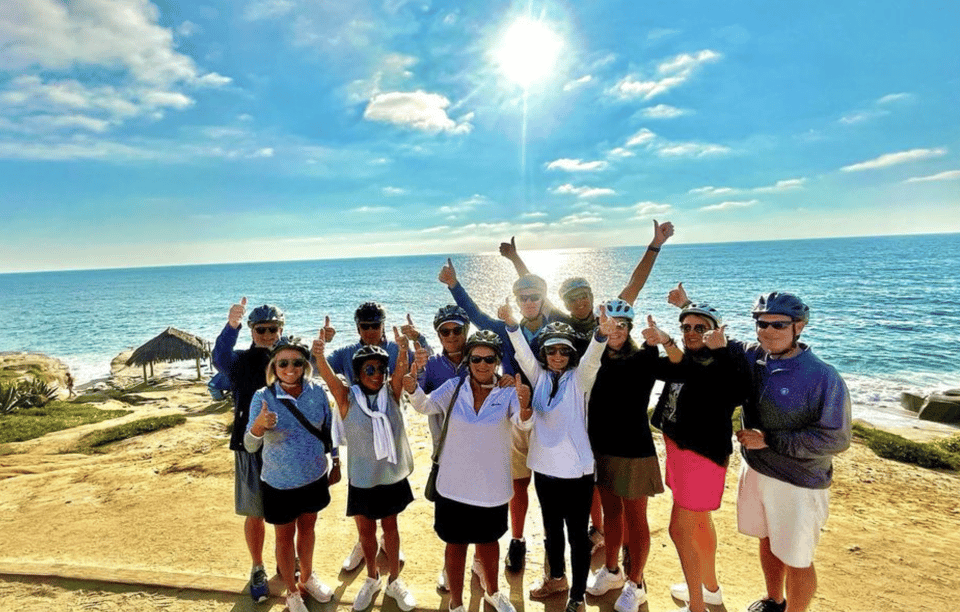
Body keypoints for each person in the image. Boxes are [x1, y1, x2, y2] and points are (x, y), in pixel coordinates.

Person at [672, 288, 852, 612]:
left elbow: (836, 439)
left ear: (799, 327)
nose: (768, 331)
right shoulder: (753, 355)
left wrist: (769, 439)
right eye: (762, 323)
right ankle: (774, 600)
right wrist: (686, 306)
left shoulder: (823, 376)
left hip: (798, 481)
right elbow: (711, 335)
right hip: (756, 470)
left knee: (797, 557)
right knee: (767, 540)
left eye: (778, 325)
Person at [406, 330, 533, 612]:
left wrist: (525, 408)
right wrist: (413, 387)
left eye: (489, 359)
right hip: (453, 485)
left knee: (489, 544)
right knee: (456, 545)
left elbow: (522, 425)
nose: (482, 365)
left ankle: (494, 592)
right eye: (476, 358)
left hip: (491, 487)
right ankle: (456, 603)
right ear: (468, 360)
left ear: (498, 361)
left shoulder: (507, 392)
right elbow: (425, 406)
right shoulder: (454, 387)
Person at [500, 301, 615, 612]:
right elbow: (523, 353)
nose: (558, 356)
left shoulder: (579, 380)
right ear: (545, 354)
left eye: (564, 351)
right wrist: (512, 324)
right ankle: (557, 579)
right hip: (544, 470)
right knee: (552, 530)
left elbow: (592, 359)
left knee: (577, 535)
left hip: (576, 473)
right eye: (552, 351)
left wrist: (600, 336)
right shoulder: (539, 378)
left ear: (571, 354)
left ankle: (577, 596)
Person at [438, 258, 550, 573]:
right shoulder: (502, 330)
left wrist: (517, 259)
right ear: (516, 301)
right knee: (518, 481)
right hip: (515, 412)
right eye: (523, 297)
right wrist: (454, 285)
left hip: (550, 415)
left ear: (543, 298)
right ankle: (517, 540)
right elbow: (475, 315)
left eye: (534, 296)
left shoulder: (555, 325)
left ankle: (560, 547)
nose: (529, 301)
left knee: (551, 483)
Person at [640, 303, 739, 612]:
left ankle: (696, 605)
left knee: (679, 530)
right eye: (686, 327)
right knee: (698, 524)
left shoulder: (717, 361)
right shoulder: (687, 359)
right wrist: (653, 341)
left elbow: (732, 390)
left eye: (701, 328)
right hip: (680, 450)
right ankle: (709, 590)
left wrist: (671, 341)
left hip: (700, 456)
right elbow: (657, 368)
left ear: (715, 333)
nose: (692, 333)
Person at [313, 326, 417, 612]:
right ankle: (372, 577)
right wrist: (319, 354)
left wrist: (403, 348)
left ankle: (395, 580)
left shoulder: (391, 394)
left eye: (380, 369)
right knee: (366, 532)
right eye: (368, 369)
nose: (375, 375)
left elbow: (400, 371)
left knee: (391, 528)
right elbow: (328, 377)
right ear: (357, 374)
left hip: (390, 476)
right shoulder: (348, 398)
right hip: (362, 478)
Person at [328, 302, 429, 571]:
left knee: (389, 490)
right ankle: (364, 542)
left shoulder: (396, 348)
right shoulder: (346, 353)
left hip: (390, 422)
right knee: (363, 487)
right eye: (365, 326)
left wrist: (417, 338)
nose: (371, 330)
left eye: (376, 325)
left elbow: (424, 359)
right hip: (359, 427)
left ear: (383, 324)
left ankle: (388, 540)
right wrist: (321, 344)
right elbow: (317, 370)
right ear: (358, 327)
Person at [213, 298, 303, 602]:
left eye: (273, 328)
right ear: (252, 331)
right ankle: (257, 566)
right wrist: (231, 326)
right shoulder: (240, 363)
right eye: (261, 329)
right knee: (254, 512)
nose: (267, 334)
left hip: (283, 446)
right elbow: (220, 357)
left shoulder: (289, 361)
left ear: (281, 329)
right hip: (248, 446)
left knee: (285, 512)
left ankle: (286, 563)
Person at [244, 337, 337, 612]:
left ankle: (307, 578)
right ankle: (292, 592)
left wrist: (336, 462)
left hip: (314, 477)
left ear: (305, 365)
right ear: (274, 365)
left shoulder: (317, 392)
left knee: (308, 530)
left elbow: (328, 431)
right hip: (280, 483)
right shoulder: (263, 397)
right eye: (283, 362)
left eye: (297, 362)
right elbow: (250, 445)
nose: (290, 368)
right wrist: (259, 426)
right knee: (284, 538)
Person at [581, 299, 664, 612]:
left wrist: (663, 340)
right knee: (612, 514)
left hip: (634, 451)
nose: (615, 330)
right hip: (601, 448)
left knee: (636, 518)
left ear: (629, 328)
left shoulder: (644, 356)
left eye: (621, 325)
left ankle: (636, 583)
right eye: (609, 324)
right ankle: (613, 570)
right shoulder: (594, 359)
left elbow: (680, 368)